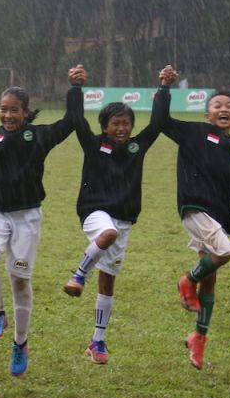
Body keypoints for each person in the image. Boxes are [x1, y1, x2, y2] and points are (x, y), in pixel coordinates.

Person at [0, 71, 84, 377]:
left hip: (26, 216)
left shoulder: (38, 136)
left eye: (14, 110)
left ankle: (20, 342)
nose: (7, 115)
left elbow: (71, 121)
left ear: (26, 112)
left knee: (20, 281)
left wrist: (75, 87)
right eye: (3, 109)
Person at [156, 65, 230, 370]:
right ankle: (185, 281)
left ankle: (198, 338)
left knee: (211, 278)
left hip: (215, 218)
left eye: (229, 106)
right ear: (207, 115)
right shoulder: (195, 132)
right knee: (225, 251)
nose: (224, 109)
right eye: (217, 105)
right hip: (194, 208)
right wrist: (165, 88)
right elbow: (161, 122)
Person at [61, 65, 165, 365]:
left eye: (126, 124)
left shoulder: (137, 147)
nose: (121, 128)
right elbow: (76, 120)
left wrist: (164, 90)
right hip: (93, 210)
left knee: (107, 283)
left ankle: (97, 341)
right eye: (115, 124)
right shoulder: (93, 144)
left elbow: (157, 125)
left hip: (125, 219)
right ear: (105, 126)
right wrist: (76, 89)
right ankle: (78, 274)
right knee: (108, 234)